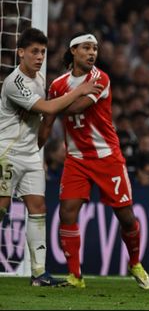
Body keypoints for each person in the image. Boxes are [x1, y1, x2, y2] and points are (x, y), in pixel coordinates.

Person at [38, 33, 149, 289]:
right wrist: (36, 149)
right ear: (73, 51)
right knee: (67, 212)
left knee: (126, 217)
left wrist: (51, 105)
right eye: (87, 48)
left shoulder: (100, 78)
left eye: (95, 49)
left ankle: (135, 262)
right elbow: (48, 121)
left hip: (107, 157)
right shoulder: (57, 84)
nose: (92, 53)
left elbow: (76, 107)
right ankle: (75, 276)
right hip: (76, 159)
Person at [0, 28, 102, 286]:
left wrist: (39, 148)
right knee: (2, 207)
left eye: (43, 52)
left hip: (31, 155)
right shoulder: (15, 82)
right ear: (20, 53)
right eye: (34, 52)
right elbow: (47, 108)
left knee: (38, 209)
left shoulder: (39, 78)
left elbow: (45, 118)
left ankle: (38, 273)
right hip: (7, 153)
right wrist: (80, 91)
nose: (39, 57)